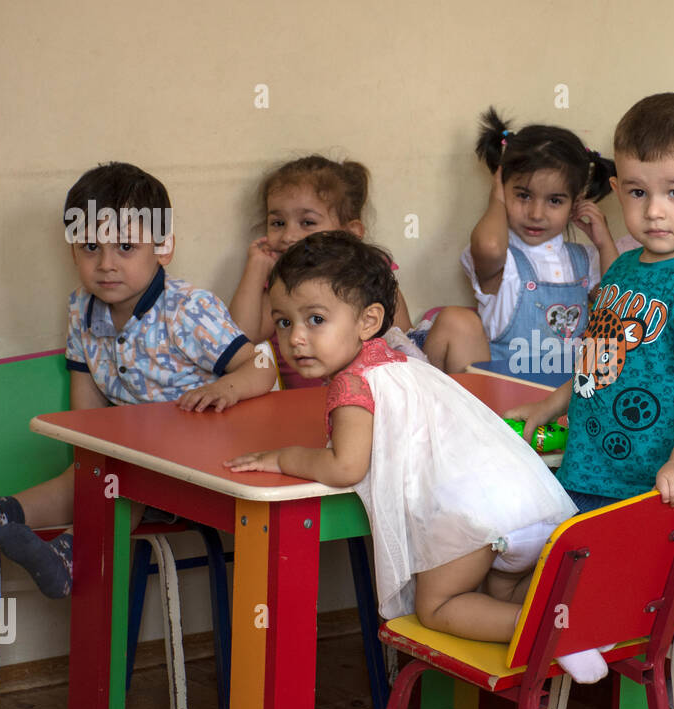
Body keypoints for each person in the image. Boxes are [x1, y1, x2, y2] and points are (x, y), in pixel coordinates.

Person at [222, 231, 609, 677]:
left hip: (474, 518)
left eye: (315, 320)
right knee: (498, 596)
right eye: (284, 322)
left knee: (439, 606)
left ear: (368, 322)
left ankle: (560, 631)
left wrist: (282, 458)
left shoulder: (352, 385)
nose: (296, 340)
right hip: (532, 505)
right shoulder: (400, 359)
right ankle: (571, 627)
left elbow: (345, 467)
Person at [0, 162, 275, 598]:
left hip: (215, 458)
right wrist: (92, 451)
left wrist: (223, 388)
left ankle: (70, 551)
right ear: (72, 251)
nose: (106, 264)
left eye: (125, 246)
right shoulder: (81, 309)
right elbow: (85, 396)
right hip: (141, 454)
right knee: (93, 471)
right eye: (90, 247)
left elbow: (260, 366)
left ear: (163, 247)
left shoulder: (187, 309)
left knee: (129, 471)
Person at [505, 92, 674, 680]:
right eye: (638, 192)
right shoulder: (621, 268)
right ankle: (567, 638)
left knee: (623, 594)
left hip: (659, 482)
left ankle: (580, 640)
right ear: (618, 191)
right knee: (544, 570)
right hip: (592, 468)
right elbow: (598, 358)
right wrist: (553, 402)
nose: (654, 211)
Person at [230, 155, 488, 378]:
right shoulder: (281, 284)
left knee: (460, 321)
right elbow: (237, 339)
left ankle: (479, 418)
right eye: (277, 223)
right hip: (314, 400)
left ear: (351, 232)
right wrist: (256, 269)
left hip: (383, 383)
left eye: (307, 222)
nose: (288, 235)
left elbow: (398, 340)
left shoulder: (369, 275)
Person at [462, 108, 618, 370]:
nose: (536, 214)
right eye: (523, 195)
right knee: (452, 320)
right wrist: (497, 198)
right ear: (501, 188)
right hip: (503, 394)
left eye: (555, 201)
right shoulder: (504, 259)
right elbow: (489, 247)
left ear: (575, 203)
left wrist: (605, 244)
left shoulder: (585, 259)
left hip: (567, 395)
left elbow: (618, 307)